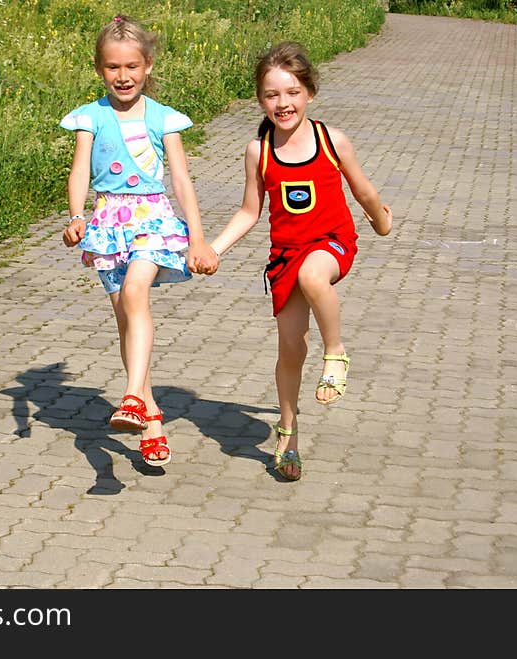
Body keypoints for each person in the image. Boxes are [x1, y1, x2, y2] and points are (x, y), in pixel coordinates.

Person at [208, 41, 392, 481]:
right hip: (285, 256)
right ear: (260, 100)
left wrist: (381, 221)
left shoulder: (332, 140)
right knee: (290, 350)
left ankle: (336, 352)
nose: (282, 103)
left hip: (332, 244)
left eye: (291, 92)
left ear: (309, 92)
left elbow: (362, 190)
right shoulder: (260, 151)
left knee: (315, 275)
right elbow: (249, 211)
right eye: (272, 95)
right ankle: (288, 434)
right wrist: (214, 249)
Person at [60, 15, 217, 468]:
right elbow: (79, 173)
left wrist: (199, 238)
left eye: (132, 66)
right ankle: (150, 419)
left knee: (136, 292)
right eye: (113, 67)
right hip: (107, 222)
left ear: (147, 65)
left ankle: (130, 395)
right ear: (99, 69)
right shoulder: (91, 116)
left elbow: (182, 180)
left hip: (152, 218)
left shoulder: (164, 118)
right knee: (127, 324)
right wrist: (75, 217)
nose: (123, 76)